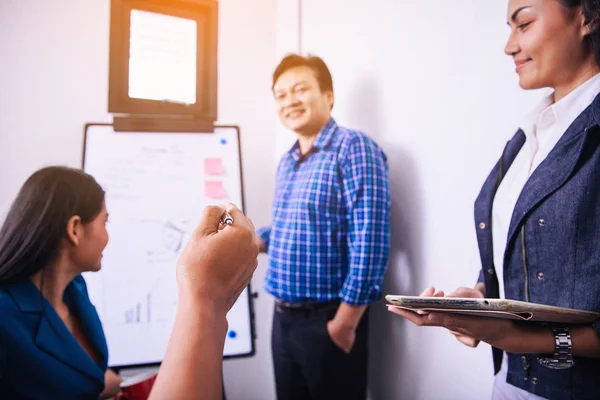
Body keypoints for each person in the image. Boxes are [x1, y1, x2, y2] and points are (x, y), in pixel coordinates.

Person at [388, 0, 600, 399]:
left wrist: (523, 340)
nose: (508, 46)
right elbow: (535, 254)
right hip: (509, 381)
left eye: (523, 24)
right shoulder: (530, 134)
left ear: (587, 17)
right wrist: (482, 296)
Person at [0, 166, 260, 400]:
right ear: (75, 229)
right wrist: (205, 296)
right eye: (105, 221)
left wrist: (102, 384)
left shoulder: (74, 290)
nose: (107, 234)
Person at [257, 54, 391, 400]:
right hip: (282, 319)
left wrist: (345, 323)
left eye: (301, 90)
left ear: (328, 96)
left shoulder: (353, 148)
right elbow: (291, 229)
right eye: (281, 94)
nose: (290, 101)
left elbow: (370, 239)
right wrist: (248, 239)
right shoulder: (288, 160)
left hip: (329, 320)